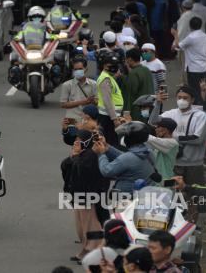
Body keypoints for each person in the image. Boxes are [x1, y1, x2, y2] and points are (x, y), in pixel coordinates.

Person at [150, 86, 206, 187]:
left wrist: (173, 138)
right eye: (179, 97)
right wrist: (158, 103)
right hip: (174, 164)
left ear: (192, 99)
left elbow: (197, 138)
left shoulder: (200, 115)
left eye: (185, 98)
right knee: (175, 196)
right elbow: (152, 121)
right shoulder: (170, 113)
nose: (181, 100)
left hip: (193, 164)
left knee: (196, 196)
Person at [68, 129, 105, 262]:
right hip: (79, 195)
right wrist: (74, 155)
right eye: (76, 139)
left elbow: (83, 170)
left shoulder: (90, 155)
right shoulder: (82, 153)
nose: (77, 142)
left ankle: (92, 253)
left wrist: (76, 156)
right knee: (81, 227)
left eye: (80, 139)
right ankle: (85, 250)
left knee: (89, 227)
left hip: (88, 196)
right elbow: (67, 167)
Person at [93, 121, 157, 193]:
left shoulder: (128, 158)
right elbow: (126, 158)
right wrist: (107, 147)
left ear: (131, 138)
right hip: (144, 194)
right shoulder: (148, 151)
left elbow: (107, 171)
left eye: (125, 136)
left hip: (127, 198)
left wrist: (101, 154)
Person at [8, 6, 60, 87]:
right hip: (28, 49)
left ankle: (54, 80)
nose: (37, 19)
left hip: (42, 51)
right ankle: (17, 80)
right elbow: (19, 35)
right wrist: (16, 38)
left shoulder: (46, 28)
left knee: (56, 64)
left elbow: (52, 35)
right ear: (29, 18)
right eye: (34, 17)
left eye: (39, 17)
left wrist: (54, 37)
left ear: (43, 18)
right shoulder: (26, 27)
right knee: (14, 60)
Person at [175, 16, 206, 105]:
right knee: (204, 89)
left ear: (190, 26)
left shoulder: (191, 37)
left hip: (193, 68)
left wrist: (175, 34)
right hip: (204, 67)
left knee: (195, 91)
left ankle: (197, 107)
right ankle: (205, 106)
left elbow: (178, 46)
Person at [96, 51, 125, 147]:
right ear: (104, 66)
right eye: (111, 65)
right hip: (108, 117)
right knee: (111, 143)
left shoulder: (108, 77)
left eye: (115, 65)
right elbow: (107, 100)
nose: (114, 67)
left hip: (109, 116)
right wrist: (114, 119)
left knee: (111, 142)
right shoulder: (105, 79)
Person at [60, 56, 97, 122]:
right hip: (72, 120)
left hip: (88, 121)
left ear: (86, 69)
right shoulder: (67, 85)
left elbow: (98, 102)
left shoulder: (94, 84)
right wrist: (83, 102)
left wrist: (93, 101)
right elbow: (63, 104)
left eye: (80, 69)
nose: (78, 71)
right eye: (75, 69)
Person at [123, 48, 155, 121]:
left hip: (138, 109)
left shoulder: (133, 73)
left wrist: (127, 112)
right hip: (149, 105)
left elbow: (131, 93)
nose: (126, 62)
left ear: (130, 59)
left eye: (126, 59)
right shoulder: (146, 69)